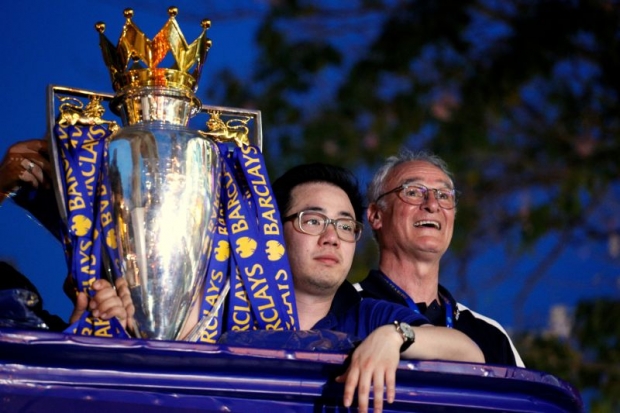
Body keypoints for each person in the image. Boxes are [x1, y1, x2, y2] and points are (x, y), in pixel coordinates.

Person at [356, 149, 524, 367]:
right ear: (376, 215)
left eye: (444, 196)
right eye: (413, 192)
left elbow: (527, 400)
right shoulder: (343, 307)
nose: (432, 204)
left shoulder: (490, 334)